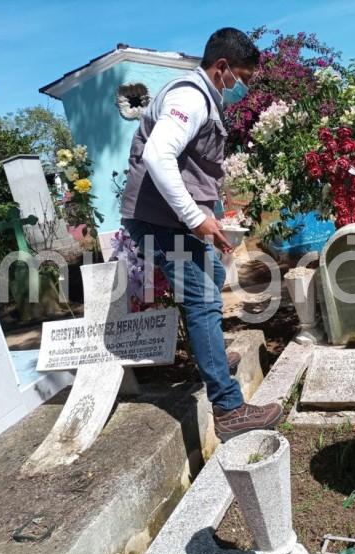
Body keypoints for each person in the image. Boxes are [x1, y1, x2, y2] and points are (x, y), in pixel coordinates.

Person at [120, 28, 282, 441]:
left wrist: (209, 214)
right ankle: (229, 409)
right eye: (243, 76)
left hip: (172, 219)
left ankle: (211, 356)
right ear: (222, 67)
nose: (244, 87)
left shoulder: (204, 98)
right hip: (157, 221)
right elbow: (159, 155)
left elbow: (193, 167)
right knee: (204, 296)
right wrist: (196, 218)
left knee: (211, 272)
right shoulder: (189, 97)